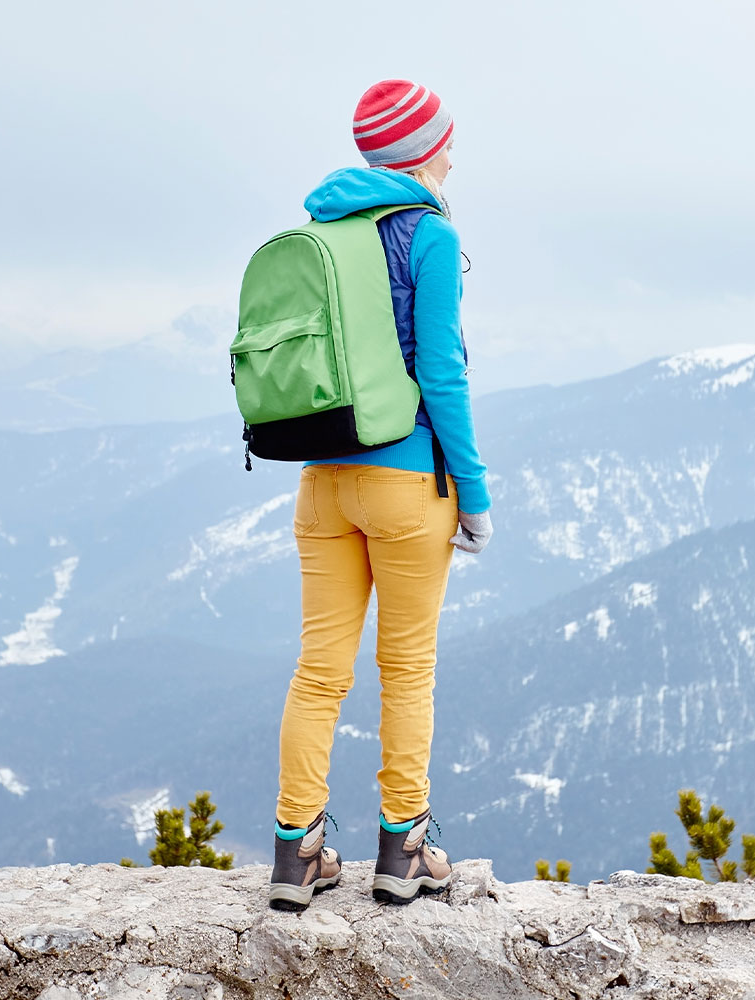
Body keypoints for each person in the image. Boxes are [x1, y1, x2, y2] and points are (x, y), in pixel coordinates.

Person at [269, 80, 493, 911]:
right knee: (407, 669)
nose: (450, 154)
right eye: (446, 140)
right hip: (407, 486)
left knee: (318, 670)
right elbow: (442, 371)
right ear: (424, 150)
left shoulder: (324, 229)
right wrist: (472, 492)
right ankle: (404, 852)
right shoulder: (428, 234)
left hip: (322, 480)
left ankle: (298, 855)